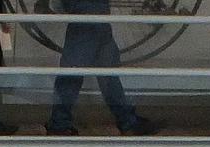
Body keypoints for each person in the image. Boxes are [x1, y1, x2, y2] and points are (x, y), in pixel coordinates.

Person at [47, 0, 160, 136]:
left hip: (91, 14)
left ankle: (127, 121)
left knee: (100, 71)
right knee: (81, 71)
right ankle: (59, 124)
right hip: (91, 13)